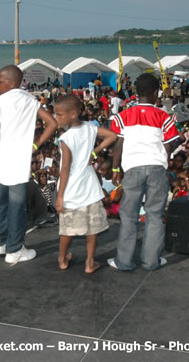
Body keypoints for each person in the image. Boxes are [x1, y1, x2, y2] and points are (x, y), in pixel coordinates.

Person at [0, 65, 57, 264]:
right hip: (18, 161)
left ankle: (0, 244)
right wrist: (37, 144)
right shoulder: (31, 101)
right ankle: (14, 249)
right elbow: (52, 123)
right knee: (16, 208)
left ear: (12, 83)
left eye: (0, 81)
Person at [107, 73, 181, 271]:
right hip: (157, 168)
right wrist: (163, 163)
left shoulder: (122, 116)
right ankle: (151, 261)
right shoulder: (164, 117)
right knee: (155, 216)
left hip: (132, 169)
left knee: (129, 216)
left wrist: (115, 168)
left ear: (135, 92)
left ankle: (124, 261)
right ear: (156, 93)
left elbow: (118, 144)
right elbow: (168, 146)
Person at [53, 95, 117, 273]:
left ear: (73, 114)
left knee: (67, 229)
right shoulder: (90, 128)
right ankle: (90, 262)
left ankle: (62, 258)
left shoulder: (66, 138)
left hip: (71, 190)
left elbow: (65, 168)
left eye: (59, 115)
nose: (56, 118)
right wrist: (94, 152)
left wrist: (60, 196)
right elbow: (112, 135)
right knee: (92, 228)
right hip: (90, 189)